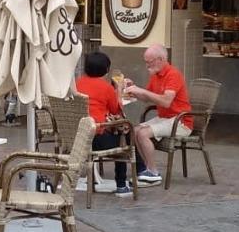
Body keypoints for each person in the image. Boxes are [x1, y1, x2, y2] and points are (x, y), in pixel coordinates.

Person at [123, 44, 192, 186]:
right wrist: (133, 89)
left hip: (181, 121)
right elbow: (147, 98)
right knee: (133, 131)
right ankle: (146, 169)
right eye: (146, 61)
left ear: (160, 59)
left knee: (142, 134)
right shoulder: (156, 74)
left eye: (150, 61)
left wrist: (142, 91)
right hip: (165, 118)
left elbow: (166, 102)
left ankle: (153, 172)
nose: (147, 65)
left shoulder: (173, 75)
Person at [74, 51, 131, 196]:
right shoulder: (106, 88)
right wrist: (118, 90)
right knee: (125, 136)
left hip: (76, 138)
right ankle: (121, 184)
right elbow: (117, 111)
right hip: (97, 139)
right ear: (106, 69)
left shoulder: (76, 84)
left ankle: (141, 169)